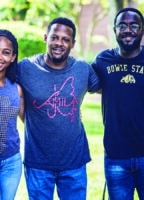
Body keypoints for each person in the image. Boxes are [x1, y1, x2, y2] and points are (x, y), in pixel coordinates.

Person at [92, 7, 144, 200]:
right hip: (116, 157)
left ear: (143, 30)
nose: (128, 30)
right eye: (122, 25)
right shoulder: (103, 60)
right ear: (115, 29)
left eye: (134, 25)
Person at [16, 17, 100, 200]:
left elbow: (112, 87)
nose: (59, 43)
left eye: (65, 39)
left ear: (73, 44)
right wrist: (32, 120)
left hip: (74, 161)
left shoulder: (82, 69)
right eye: (54, 37)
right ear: (46, 37)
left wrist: (142, 58)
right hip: (37, 162)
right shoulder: (25, 68)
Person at [0, 29, 24, 200]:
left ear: (13, 57)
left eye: (5, 52)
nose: (0, 57)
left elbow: (29, 119)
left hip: (11, 162)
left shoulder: (16, 88)